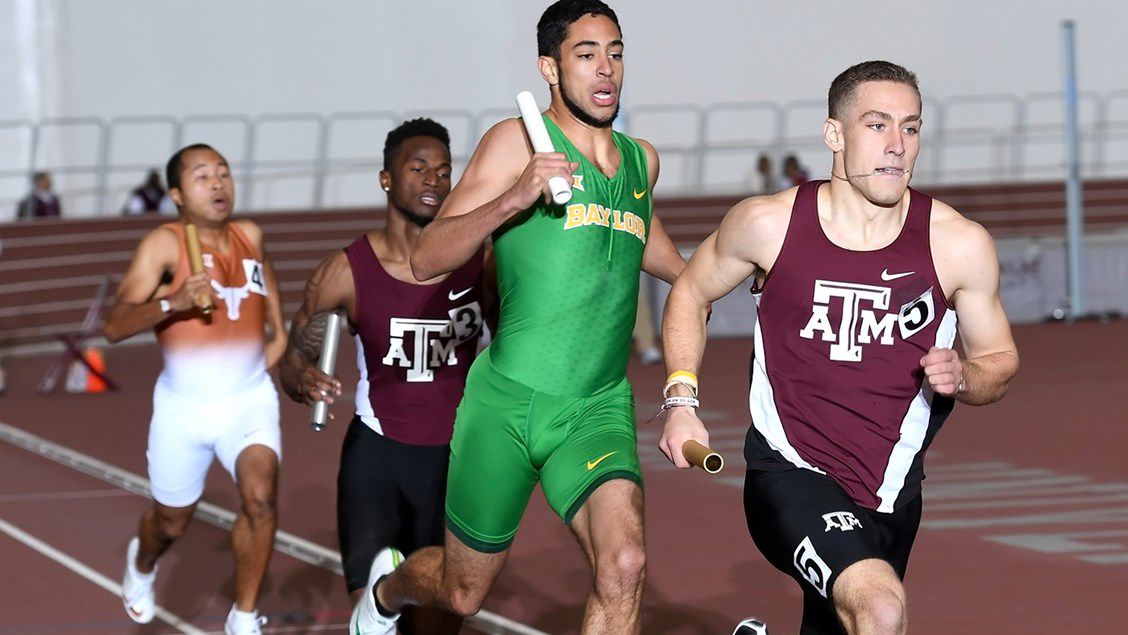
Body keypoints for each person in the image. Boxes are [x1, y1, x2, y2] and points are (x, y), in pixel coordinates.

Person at [350, 2, 686, 633]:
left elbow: (661, 253)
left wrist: (755, 270)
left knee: (625, 561)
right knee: (462, 592)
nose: (606, 68)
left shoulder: (641, 161)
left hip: (597, 406)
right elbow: (427, 256)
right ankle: (388, 591)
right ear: (549, 69)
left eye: (615, 51)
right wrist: (515, 196)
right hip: (508, 407)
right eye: (586, 54)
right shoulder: (516, 143)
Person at [660, 60, 1020, 634]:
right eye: (876, 125)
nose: (897, 145)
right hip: (790, 472)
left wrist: (966, 376)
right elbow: (689, 294)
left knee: (849, 620)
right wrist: (681, 403)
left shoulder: (959, 244)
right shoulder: (767, 224)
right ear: (834, 135)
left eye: (910, 127)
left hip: (894, 489)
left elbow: (1000, 359)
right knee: (879, 609)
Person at [279, 118, 491, 634]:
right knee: (373, 622)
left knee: (441, 622)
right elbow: (289, 361)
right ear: (386, 179)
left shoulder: (480, 263)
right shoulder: (345, 272)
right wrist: (304, 380)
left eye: (443, 171)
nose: (433, 181)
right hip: (378, 459)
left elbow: (513, 345)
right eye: (417, 168)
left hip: (456, 461)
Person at [103, 143, 287, 635]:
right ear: (178, 195)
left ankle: (243, 617)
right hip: (184, 408)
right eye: (203, 176)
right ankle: (141, 563)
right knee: (171, 523)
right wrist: (173, 302)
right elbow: (114, 325)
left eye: (223, 173)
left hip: (247, 397)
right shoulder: (163, 246)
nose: (218, 183)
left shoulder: (249, 234)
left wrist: (279, 329)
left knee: (261, 495)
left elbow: (264, 271)